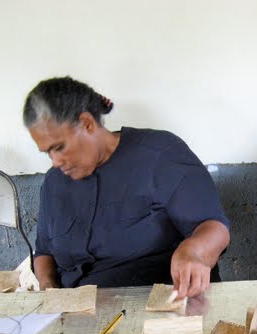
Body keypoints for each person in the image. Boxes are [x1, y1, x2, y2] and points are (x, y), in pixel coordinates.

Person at [23, 76, 230, 298]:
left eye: (59, 147)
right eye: (47, 152)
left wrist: (194, 251)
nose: (55, 161)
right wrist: (49, 289)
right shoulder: (54, 182)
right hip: (75, 312)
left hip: (158, 304)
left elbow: (214, 227)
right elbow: (44, 252)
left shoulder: (160, 155)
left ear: (87, 123)